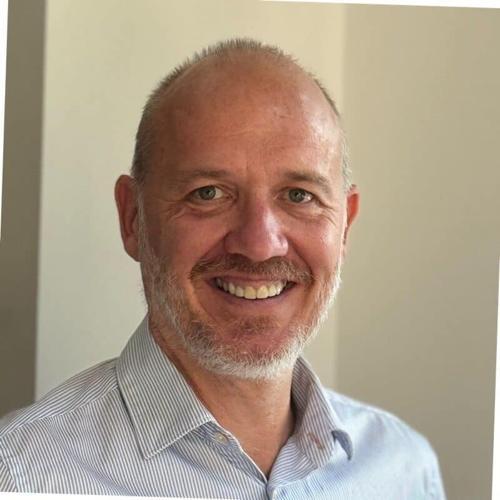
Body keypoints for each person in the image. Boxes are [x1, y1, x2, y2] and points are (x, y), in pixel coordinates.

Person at [0, 38, 446, 499]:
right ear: (133, 218)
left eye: (299, 196)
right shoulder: (22, 475)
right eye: (208, 193)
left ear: (345, 227)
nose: (259, 246)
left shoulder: (403, 468)